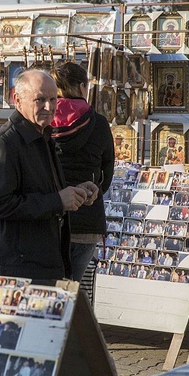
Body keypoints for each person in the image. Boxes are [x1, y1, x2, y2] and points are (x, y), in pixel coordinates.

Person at [0, 69, 98, 283]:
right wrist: (57, 200)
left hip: (43, 259)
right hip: (20, 267)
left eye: (53, 99)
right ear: (17, 99)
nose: (49, 107)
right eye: (40, 99)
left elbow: (39, 186)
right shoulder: (4, 145)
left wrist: (76, 190)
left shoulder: (42, 136)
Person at [51, 62, 114, 282]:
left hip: (51, 218)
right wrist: (91, 192)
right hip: (87, 219)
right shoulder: (99, 124)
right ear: (81, 87)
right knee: (74, 288)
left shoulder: (43, 122)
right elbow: (106, 174)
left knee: (49, 288)